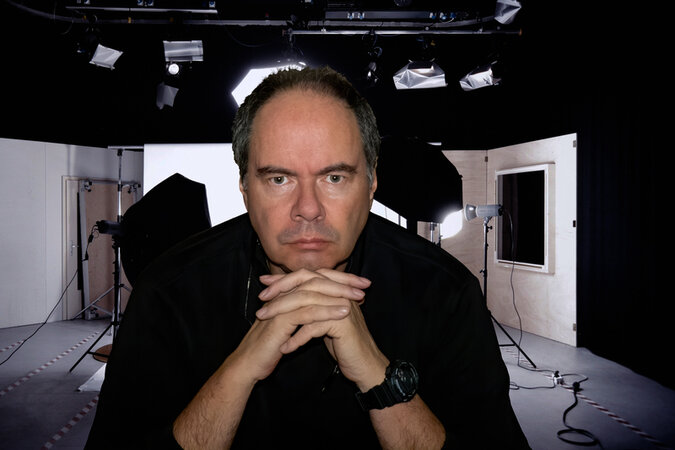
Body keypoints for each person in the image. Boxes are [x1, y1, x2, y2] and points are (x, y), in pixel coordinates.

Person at [85, 66, 529, 449]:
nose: (308, 209)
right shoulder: (169, 292)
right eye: (279, 179)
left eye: (334, 177)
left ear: (372, 183)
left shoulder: (445, 292)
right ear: (245, 188)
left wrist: (378, 375)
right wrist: (237, 372)